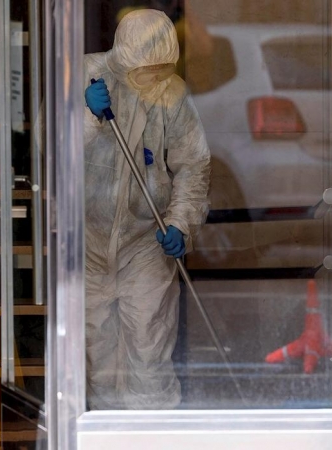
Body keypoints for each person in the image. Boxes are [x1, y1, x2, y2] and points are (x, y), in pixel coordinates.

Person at [82, 9, 211, 410]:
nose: (155, 79)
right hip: (86, 241)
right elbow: (48, 153)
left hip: (145, 241)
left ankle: (153, 434)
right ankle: (106, 435)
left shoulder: (172, 94)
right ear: (124, 59)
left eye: (162, 69)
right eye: (146, 70)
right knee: (97, 354)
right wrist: (87, 117)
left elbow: (193, 165)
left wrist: (180, 223)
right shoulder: (88, 78)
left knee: (149, 345)